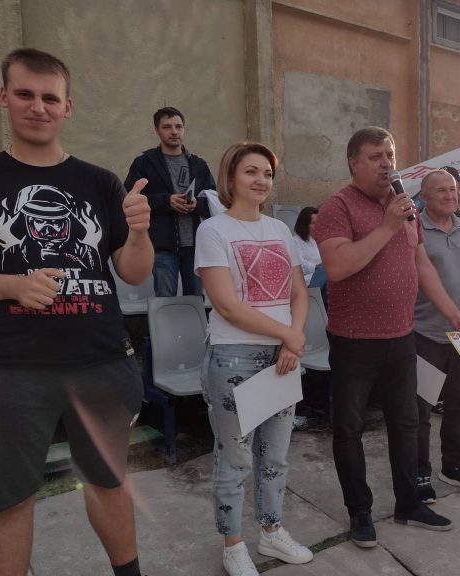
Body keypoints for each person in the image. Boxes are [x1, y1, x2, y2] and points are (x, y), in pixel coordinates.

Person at [0, 48, 152, 576]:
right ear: (4, 97)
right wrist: (11, 285)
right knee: (8, 500)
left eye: (50, 98)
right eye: (25, 94)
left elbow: (133, 272)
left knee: (110, 483)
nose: (38, 106)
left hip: (102, 362)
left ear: (67, 107)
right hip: (11, 369)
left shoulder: (100, 182)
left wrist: (140, 232)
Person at [312, 126, 460, 547]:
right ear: (353, 162)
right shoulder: (338, 206)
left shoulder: (405, 207)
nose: (386, 164)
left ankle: (409, 503)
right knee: (349, 428)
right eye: (376, 157)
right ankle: (360, 513)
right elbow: (338, 267)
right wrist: (387, 226)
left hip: (402, 338)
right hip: (354, 341)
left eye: (390, 155)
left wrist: (454, 313)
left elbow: (422, 265)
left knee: (406, 423)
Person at [195, 142, 313, 576]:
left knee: (275, 456)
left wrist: (291, 341)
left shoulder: (280, 230)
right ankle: (233, 545)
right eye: (250, 171)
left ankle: (271, 530)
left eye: (267, 173)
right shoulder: (214, 231)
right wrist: (289, 335)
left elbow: (299, 293)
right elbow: (226, 305)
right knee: (235, 459)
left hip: (283, 356)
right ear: (230, 178)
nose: (261, 180)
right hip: (235, 357)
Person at [413, 170, 460, 505]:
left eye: (453, 190)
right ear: (424, 197)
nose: (449, 195)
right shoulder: (414, 229)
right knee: (421, 410)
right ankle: (419, 473)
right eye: (441, 190)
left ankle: (453, 466)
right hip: (426, 334)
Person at [124, 106, 215, 297]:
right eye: (167, 127)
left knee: (195, 299)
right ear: (156, 130)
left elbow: (214, 202)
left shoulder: (199, 164)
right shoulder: (144, 163)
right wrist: (166, 201)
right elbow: (130, 199)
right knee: (165, 298)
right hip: (161, 244)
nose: (174, 131)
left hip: (196, 245)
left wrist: (196, 204)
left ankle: (192, 320)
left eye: (178, 126)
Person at [292, 206, 327, 290]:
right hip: (306, 281)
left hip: (321, 277)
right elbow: (298, 264)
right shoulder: (295, 241)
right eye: (314, 223)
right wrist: (316, 267)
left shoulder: (317, 240)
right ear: (304, 224)